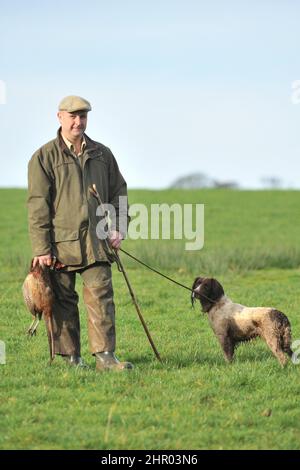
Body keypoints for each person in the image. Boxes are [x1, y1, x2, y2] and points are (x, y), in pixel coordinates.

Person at [27, 95, 133, 371]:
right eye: (72, 116)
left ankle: (105, 357)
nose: (78, 121)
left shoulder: (102, 154)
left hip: (97, 241)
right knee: (62, 301)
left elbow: (119, 192)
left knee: (102, 297)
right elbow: (38, 205)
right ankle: (72, 358)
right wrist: (41, 248)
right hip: (59, 245)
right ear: (59, 117)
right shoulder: (43, 157)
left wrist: (119, 227)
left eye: (83, 116)